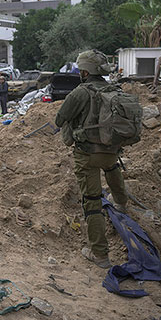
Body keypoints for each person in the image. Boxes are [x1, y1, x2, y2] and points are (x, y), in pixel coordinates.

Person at [55, 49, 128, 268]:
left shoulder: (80, 92)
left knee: (93, 202)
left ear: (85, 72)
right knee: (112, 167)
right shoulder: (114, 89)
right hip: (111, 151)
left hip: (87, 155)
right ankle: (122, 204)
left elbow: (60, 119)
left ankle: (100, 255)